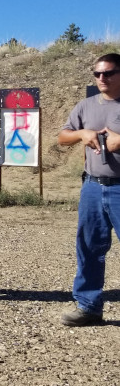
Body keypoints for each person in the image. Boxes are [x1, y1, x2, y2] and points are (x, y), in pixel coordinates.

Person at [58, 52, 120, 326]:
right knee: (89, 247)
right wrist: (82, 134)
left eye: (107, 73)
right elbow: (63, 136)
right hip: (93, 187)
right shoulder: (85, 106)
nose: (101, 78)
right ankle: (89, 306)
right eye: (97, 74)